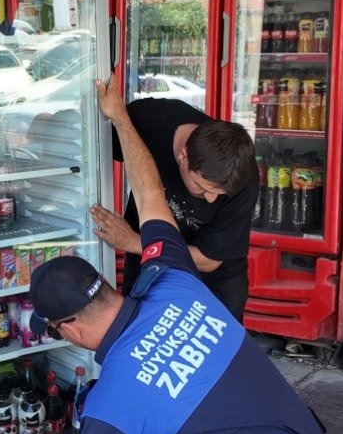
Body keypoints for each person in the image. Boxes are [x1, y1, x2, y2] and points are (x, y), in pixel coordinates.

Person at [31, 78, 337, 434]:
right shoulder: (174, 280)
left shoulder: (113, 405)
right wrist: (120, 118)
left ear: (69, 329)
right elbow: (151, 200)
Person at [89, 98, 258, 322]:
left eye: (219, 193)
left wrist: (132, 242)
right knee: (140, 333)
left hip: (210, 282)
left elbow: (209, 260)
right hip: (148, 266)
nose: (210, 199)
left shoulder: (242, 177)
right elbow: (90, 141)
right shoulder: (154, 119)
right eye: (201, 188)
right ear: (183, 155)